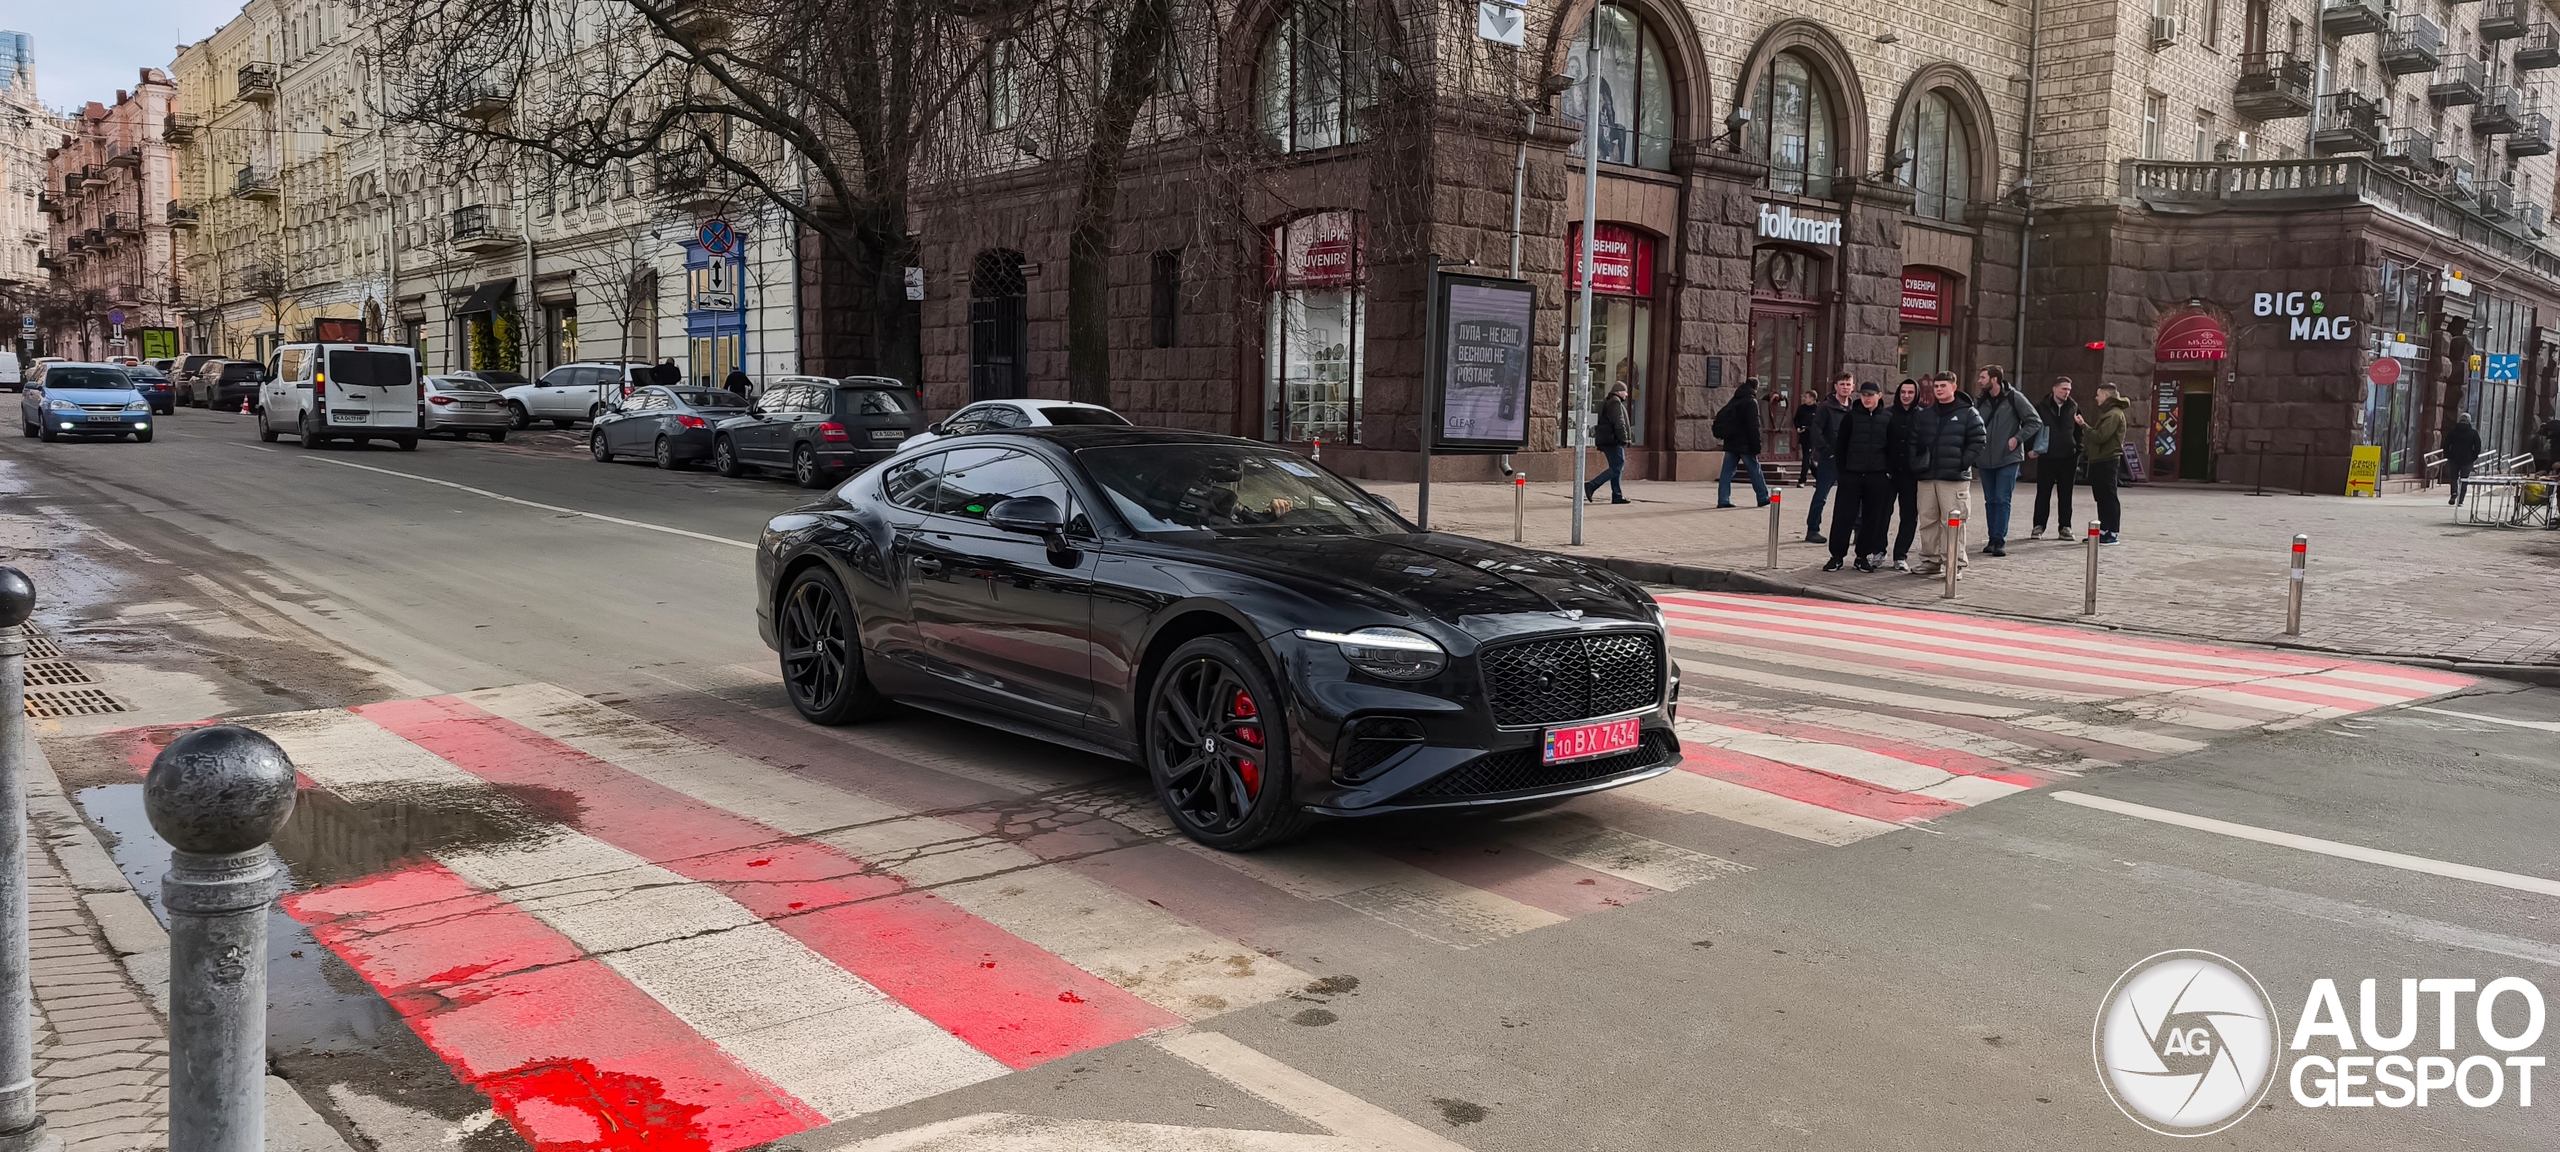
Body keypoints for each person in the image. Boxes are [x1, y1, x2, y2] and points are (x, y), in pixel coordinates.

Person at [1906, 372, 1986, 578]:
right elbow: (1912, 441)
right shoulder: (1924, 414)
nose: (1939, 389)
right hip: (1927, 476)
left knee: (1953, 522)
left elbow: (1978, 440)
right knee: (1928, 520)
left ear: (1954, 387)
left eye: (1943, 385)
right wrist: (1915, 462)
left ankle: (1954, 564)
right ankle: (1930, 561)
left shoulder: (1968, 413)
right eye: (1936, 386)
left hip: (1953, 478)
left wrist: (1962, 462)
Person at [1969, 366, 2044, 557]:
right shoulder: (1981, 401)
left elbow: (2035, 421)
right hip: (1986, 458)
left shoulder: (2014, 397)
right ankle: (1991, 538)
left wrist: (2017, 438)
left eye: (1983, 377)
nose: (1980, 381)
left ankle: (1999, 540)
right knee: (1990, 500)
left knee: (2002, 499)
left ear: (1994, 379)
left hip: (2008, 458)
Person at [1825, 381, 1896, 572]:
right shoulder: (1851, 417)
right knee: (1843, 516)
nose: (1867, 398)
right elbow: (1841, 447)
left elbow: (1892, 448)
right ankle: (1836, 556)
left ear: (1879, 396)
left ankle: (1862, 556)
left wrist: (1886, 473)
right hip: (1851, 475)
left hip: (1877, 476)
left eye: (1871, 395)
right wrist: (1844, 472)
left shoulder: (1888, 419)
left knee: (1872, 518)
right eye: (1864, 394)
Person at [1804, 374, 1854, 543]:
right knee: (1821, 495)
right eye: (1842, 384)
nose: (1845, 387)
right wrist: (1826, 450)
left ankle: (1856, 530)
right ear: (1836, 386)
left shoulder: (1855, 408)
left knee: (1853, 497)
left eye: (1848, 384)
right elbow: (1816, 430)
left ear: (1853, 387)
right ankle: (1812, 529)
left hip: (1849, 460)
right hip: (1830, 459)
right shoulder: (1826, 407)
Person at [2030, 377, 2082, 540]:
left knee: (2066, 493)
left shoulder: (2074, 407)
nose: (2066, 392)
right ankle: (2038, 526)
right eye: (2063, 389)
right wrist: (2032, 447)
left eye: (2068, 389)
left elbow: (2079, 429)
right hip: (2047, 455)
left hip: (2068, 456)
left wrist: (2078, 448)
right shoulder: (2041, 407)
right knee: (2043, 492)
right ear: (2054, 389)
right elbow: (2032, 426)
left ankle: (2065, 526)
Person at [2080, 382, 2131, 545]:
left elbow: (2101, 436)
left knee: (2109, 496)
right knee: (2101, 497)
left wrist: (2084, 426)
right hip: (2099, 459)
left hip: (2108, 460)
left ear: (2106, 395)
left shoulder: (2114, 414)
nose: (2096, 398)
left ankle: (2113, 532)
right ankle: (2102, 531)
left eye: (2098, 394)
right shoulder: (2108, 413)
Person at [1714, 378, 1773, 508]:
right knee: (1754, 470)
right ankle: (1762, 497)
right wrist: (1757, 445)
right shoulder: (1751, 402)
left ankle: (1723, 500)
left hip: (1731, 443)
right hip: (1745, 444)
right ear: (1755, 388)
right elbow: (1753, 426)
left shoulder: (1735, 400)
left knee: (1726, 473)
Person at [1886, 379, 1924, 571]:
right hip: (1889, 474)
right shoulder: (1888, 414)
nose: (1906, 396)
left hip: (1911, 475)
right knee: (1882, 514)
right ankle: (1878, 551)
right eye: (1903, 392)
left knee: (1909, 516)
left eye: (1910, 392)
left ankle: (1900, 555)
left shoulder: (1922, 416)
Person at [1586, 383, 1633, 504]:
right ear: (1618, 392)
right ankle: (1592, 485)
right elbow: (1619, 423)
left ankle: (1617, 495)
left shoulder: (1611, 401)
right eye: (1625, 391)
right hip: (1613, 440)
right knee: (1617, 467)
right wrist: (1624, 438)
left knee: (1616, 466)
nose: (1626, 394)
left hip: (1609, 440)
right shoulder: (1615, 402)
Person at [2443, 412, 2484, 506]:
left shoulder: (2453, 431)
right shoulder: (2473, 433)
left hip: (2454, 458)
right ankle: (2461, 500)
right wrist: (2473, 457)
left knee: (2453, 477)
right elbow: (2477, 447)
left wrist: (2448, 455)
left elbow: (2446, 444)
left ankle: (2454, 492)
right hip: (2467, 460)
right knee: (2464, 479)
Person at [1790, 389, 1819, 486]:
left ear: (1812, 398)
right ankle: (1820, 478)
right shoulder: (1802, 408)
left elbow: (1818, 424)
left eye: (1806, 397)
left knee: (1806, 458)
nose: (1804, 399)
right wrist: (1798, 427)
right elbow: (1796, 419)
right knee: (1809, 460)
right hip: (1803, 436)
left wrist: (1808, 428)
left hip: (1812, 437)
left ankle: (1802, 480)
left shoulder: (1818, 409)